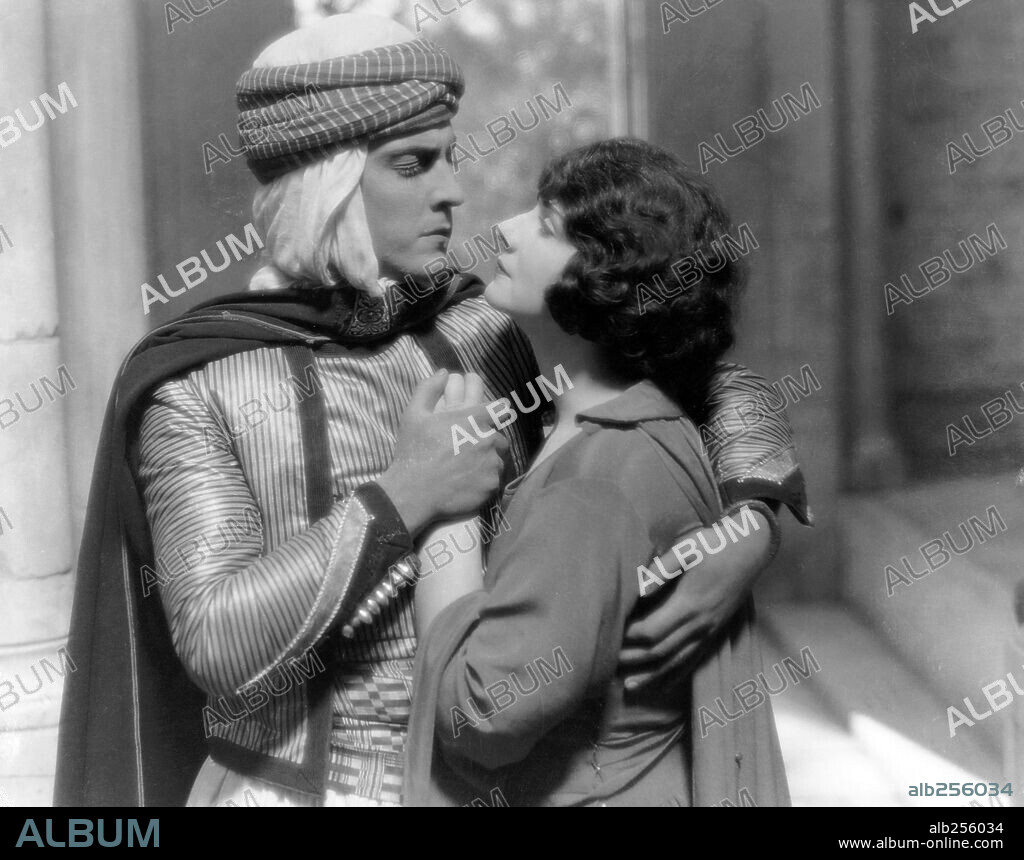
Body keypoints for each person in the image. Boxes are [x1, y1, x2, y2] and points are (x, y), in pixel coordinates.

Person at [54, 14, 808, 808]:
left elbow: (702, 372)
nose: (452, 189)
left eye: (448, 157)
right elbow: (215, 640)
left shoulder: (482, 327)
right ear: (329, 185)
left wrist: (749, 519)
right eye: (413, 164)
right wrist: (406, 496)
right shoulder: (197, 379)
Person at [404, 138, 800, 807]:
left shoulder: (592, 483)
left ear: (609, 278)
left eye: (547, 226)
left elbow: (481, 716)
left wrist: (443, 504)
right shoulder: (639, 426)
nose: (503, 227)